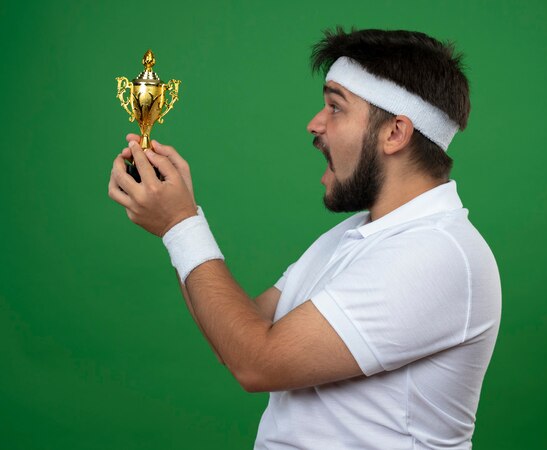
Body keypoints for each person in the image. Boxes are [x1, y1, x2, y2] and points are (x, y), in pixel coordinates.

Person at [109, 27, 501, 450]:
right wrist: (177, 220)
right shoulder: (352, 236)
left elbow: (256, 363)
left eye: (335, 107)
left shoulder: (436, 254)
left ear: (394, 133)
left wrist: (180, 225)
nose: (315, 123)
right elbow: (236, 337)